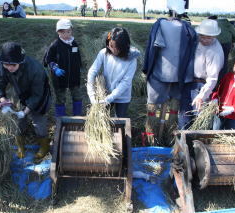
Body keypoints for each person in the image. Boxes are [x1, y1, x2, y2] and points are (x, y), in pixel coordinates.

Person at [143, 0, 197, 142]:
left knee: (155, 107)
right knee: (171, 107)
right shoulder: (188, 29)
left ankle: (155, 138)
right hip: (179, 76)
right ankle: (164, 137)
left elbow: (151, 49)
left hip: (159, 74)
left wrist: (146, 68)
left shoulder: (160, 25)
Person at [0, 42, 51, 160]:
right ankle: (20, 145)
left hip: (39, 95)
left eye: (13, 65)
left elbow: (37, 95)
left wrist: (25, 111)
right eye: (7, 64)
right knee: (18, 122)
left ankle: (44, 146)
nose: (9, 67)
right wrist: (3, 100)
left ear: (20, 62)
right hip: (19, 92)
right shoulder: (2, 65)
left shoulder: (35, 69)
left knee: (38, 122)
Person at [178, 19, 224, 129]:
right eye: (202, 36)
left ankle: (196, 143)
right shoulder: (196, 41)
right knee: (183, 116)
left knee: (198, 120)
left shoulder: (215, 52)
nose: (205, 39)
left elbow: (212, 79)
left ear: (215, 36)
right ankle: (181, 141)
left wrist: (201, 96)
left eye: (209, 37)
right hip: (188, 82)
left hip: (202, 86)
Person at [87, 27, 140, 118]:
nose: (114, 50)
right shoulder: (103, 53)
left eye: (117, 47)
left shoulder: (131, 60)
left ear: (124, 46)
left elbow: (125, 82)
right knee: (101, 117)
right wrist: (91, 94)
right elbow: (92, 71)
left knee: (120, 120)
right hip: (105, 93)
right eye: (111, 46)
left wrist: (110, 98)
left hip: (122, 96)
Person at [43, 19, 83, 117]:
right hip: (60, 77)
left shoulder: (74, 43)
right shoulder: (55, 45)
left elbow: (78, 57)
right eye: (64, 32)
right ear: (58, 32)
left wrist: (79, 67)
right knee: (61, 97)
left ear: (71, 30)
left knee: (77, 96)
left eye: (69, 31)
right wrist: (55, 68)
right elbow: (48, 59)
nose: (67, 35)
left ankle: (77, 116)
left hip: (74, 76)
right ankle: (60, 118)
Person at [211, 54, 235, 130]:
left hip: (234, 117)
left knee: (230, 136)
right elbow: (218, 90)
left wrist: (233, 109)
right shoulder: (228, 76)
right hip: (219, 112)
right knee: (214, 133)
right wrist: (214, 99)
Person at [208, 15, 235, 81]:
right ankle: (222, 78)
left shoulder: (210, 23)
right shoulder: (227, 23)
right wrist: (234, 41)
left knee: (212, 59)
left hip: (214, 43)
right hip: (227, 43)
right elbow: (233, 33)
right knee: (224, 60)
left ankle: (212, 76)